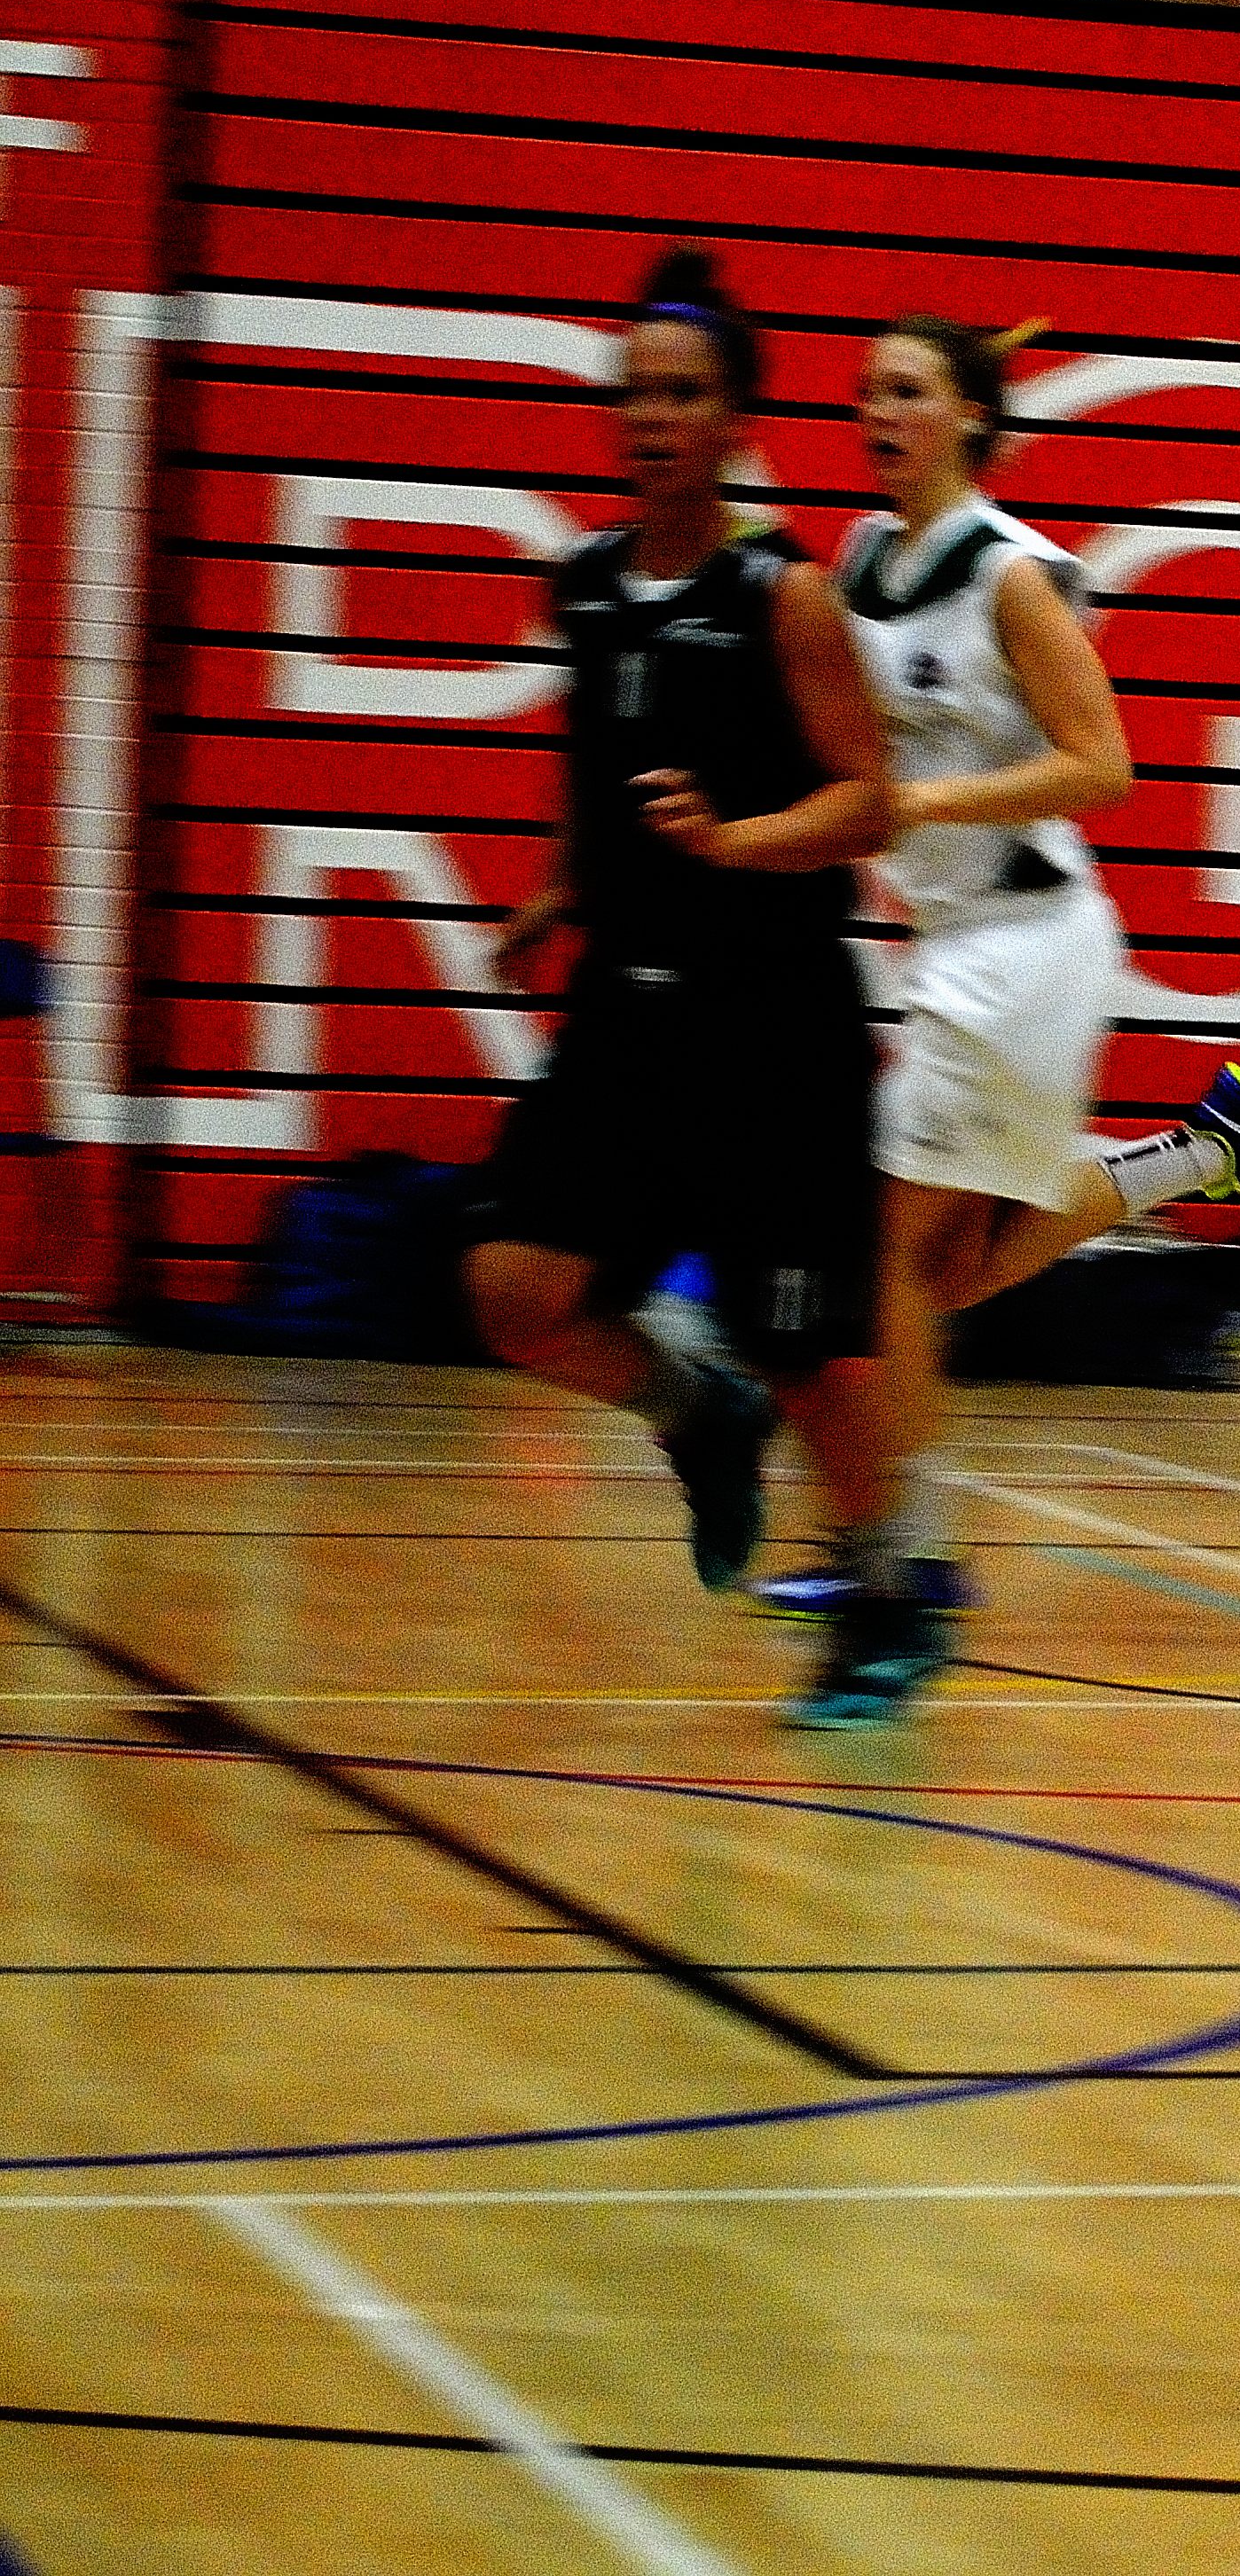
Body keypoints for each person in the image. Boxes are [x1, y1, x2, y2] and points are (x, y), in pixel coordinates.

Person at [752, 311, 1240, 1718]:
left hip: (1027, 944)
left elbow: (1106, 767)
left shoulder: (1014, 574)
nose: (877, 412)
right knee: (942, 1278)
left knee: (881, 1260)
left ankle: (903, 1562)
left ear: (971, 416)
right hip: (949, 945)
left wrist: (930, 800)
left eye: (908, 391)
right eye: (866, 392)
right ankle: (1208, 1151)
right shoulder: (858, 560)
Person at [461, 250, 910, 1697]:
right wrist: (555, 888)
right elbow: (591, 771)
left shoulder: (787, 595)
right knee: (514, 1291)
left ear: (734, 420)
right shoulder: (587, 588)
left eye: (682, 394)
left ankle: (888, 1605)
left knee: (807, 1354)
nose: (651, 417)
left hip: (772, 1019)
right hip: (624, 1009)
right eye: (635, 393)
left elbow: (870, 803)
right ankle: (696, 1416)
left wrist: (731, 842)